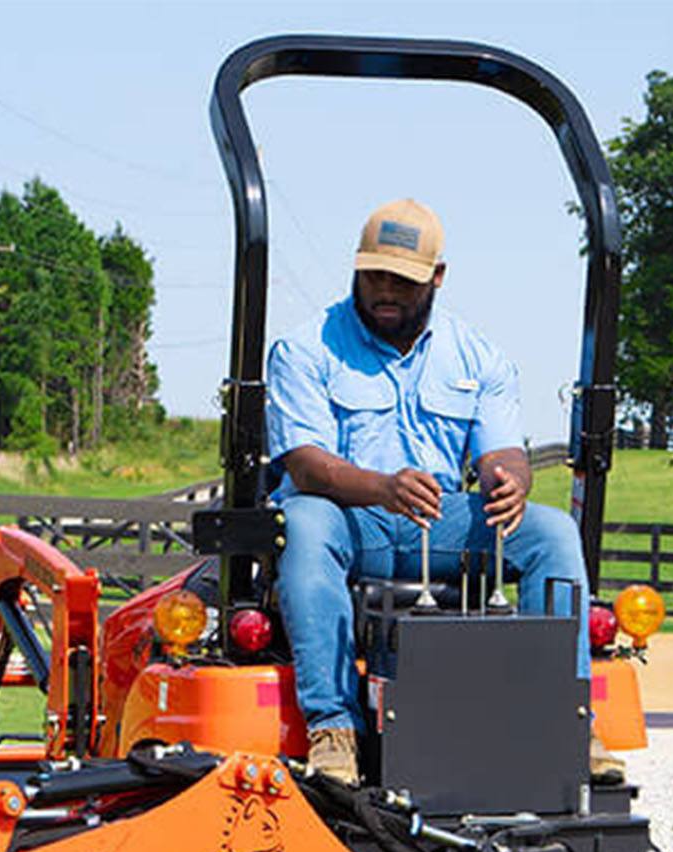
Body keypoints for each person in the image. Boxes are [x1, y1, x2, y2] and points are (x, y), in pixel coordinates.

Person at [264, 197, 619, 786]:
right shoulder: (307, 348)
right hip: (351, 517)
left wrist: (511, 480)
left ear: (437, 277)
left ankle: (565, 720)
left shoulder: (476, 357)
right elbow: (307, 466)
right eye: (374, 274)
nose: (385, 290)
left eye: (402, 281)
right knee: (302, 521)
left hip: (437, 520)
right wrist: (383, 487)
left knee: (552, 530)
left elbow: (502, 449)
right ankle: (333, 726)